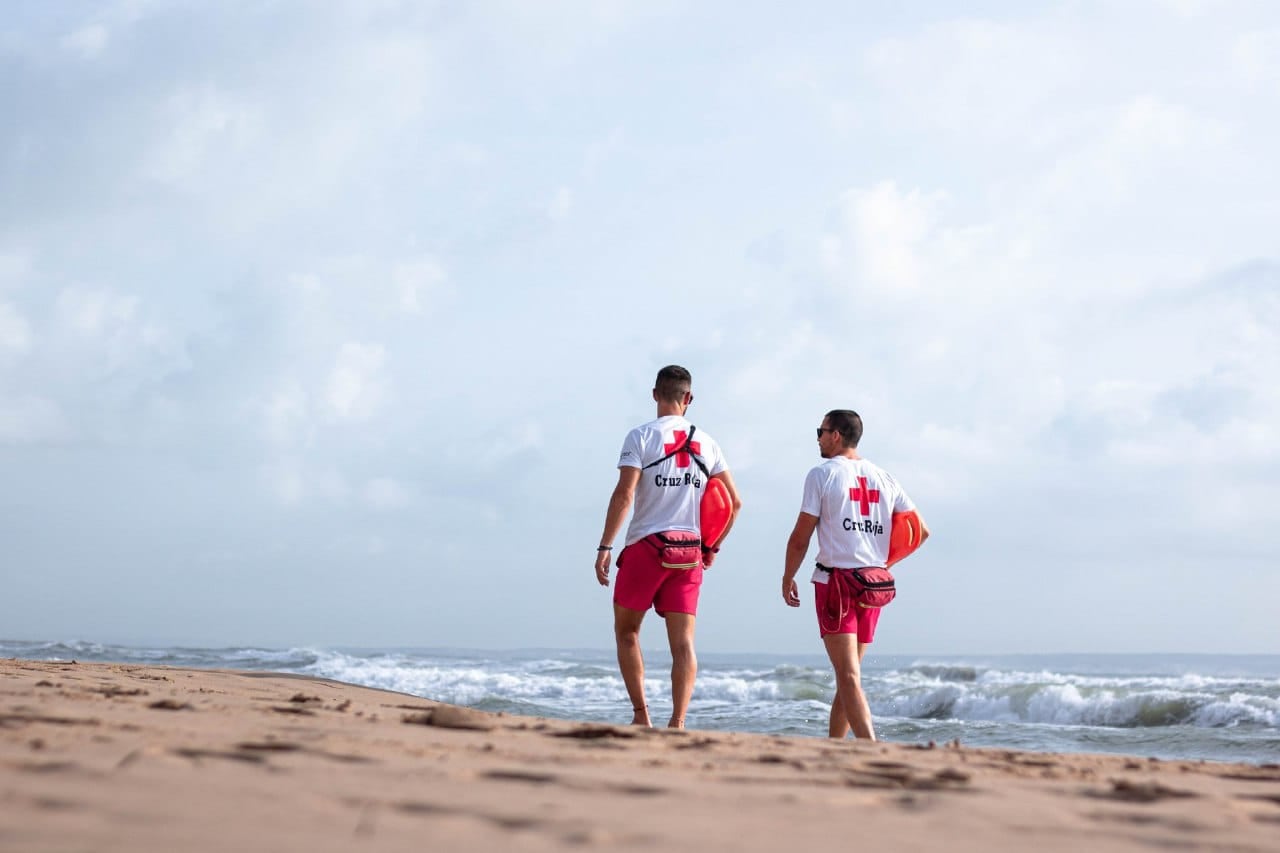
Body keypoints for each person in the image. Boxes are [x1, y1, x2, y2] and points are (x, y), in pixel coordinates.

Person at [595, 365, 742, 728]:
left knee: (628, 631)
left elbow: (625, 493)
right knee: (683, 643)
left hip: (647, 546)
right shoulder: (708, 443)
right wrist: (712, 547)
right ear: (688, 398)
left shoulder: (640, 436)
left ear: (655, 394)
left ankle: (641, 716)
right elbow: (734, 503)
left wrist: (605, 545)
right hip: (689, 551)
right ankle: (677, 723)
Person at [781, 409, 928, 740]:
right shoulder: (884, 477)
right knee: (850, 675)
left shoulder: (822, 474)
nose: (817, 437)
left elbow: (800, 537)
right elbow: (921, 531)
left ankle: (870, 745)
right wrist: (881, 561)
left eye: (820, 431)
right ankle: (835, 746)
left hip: (838, 584)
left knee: (847, 675)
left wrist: (788, 576)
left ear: (836, 435)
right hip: (874, 585)